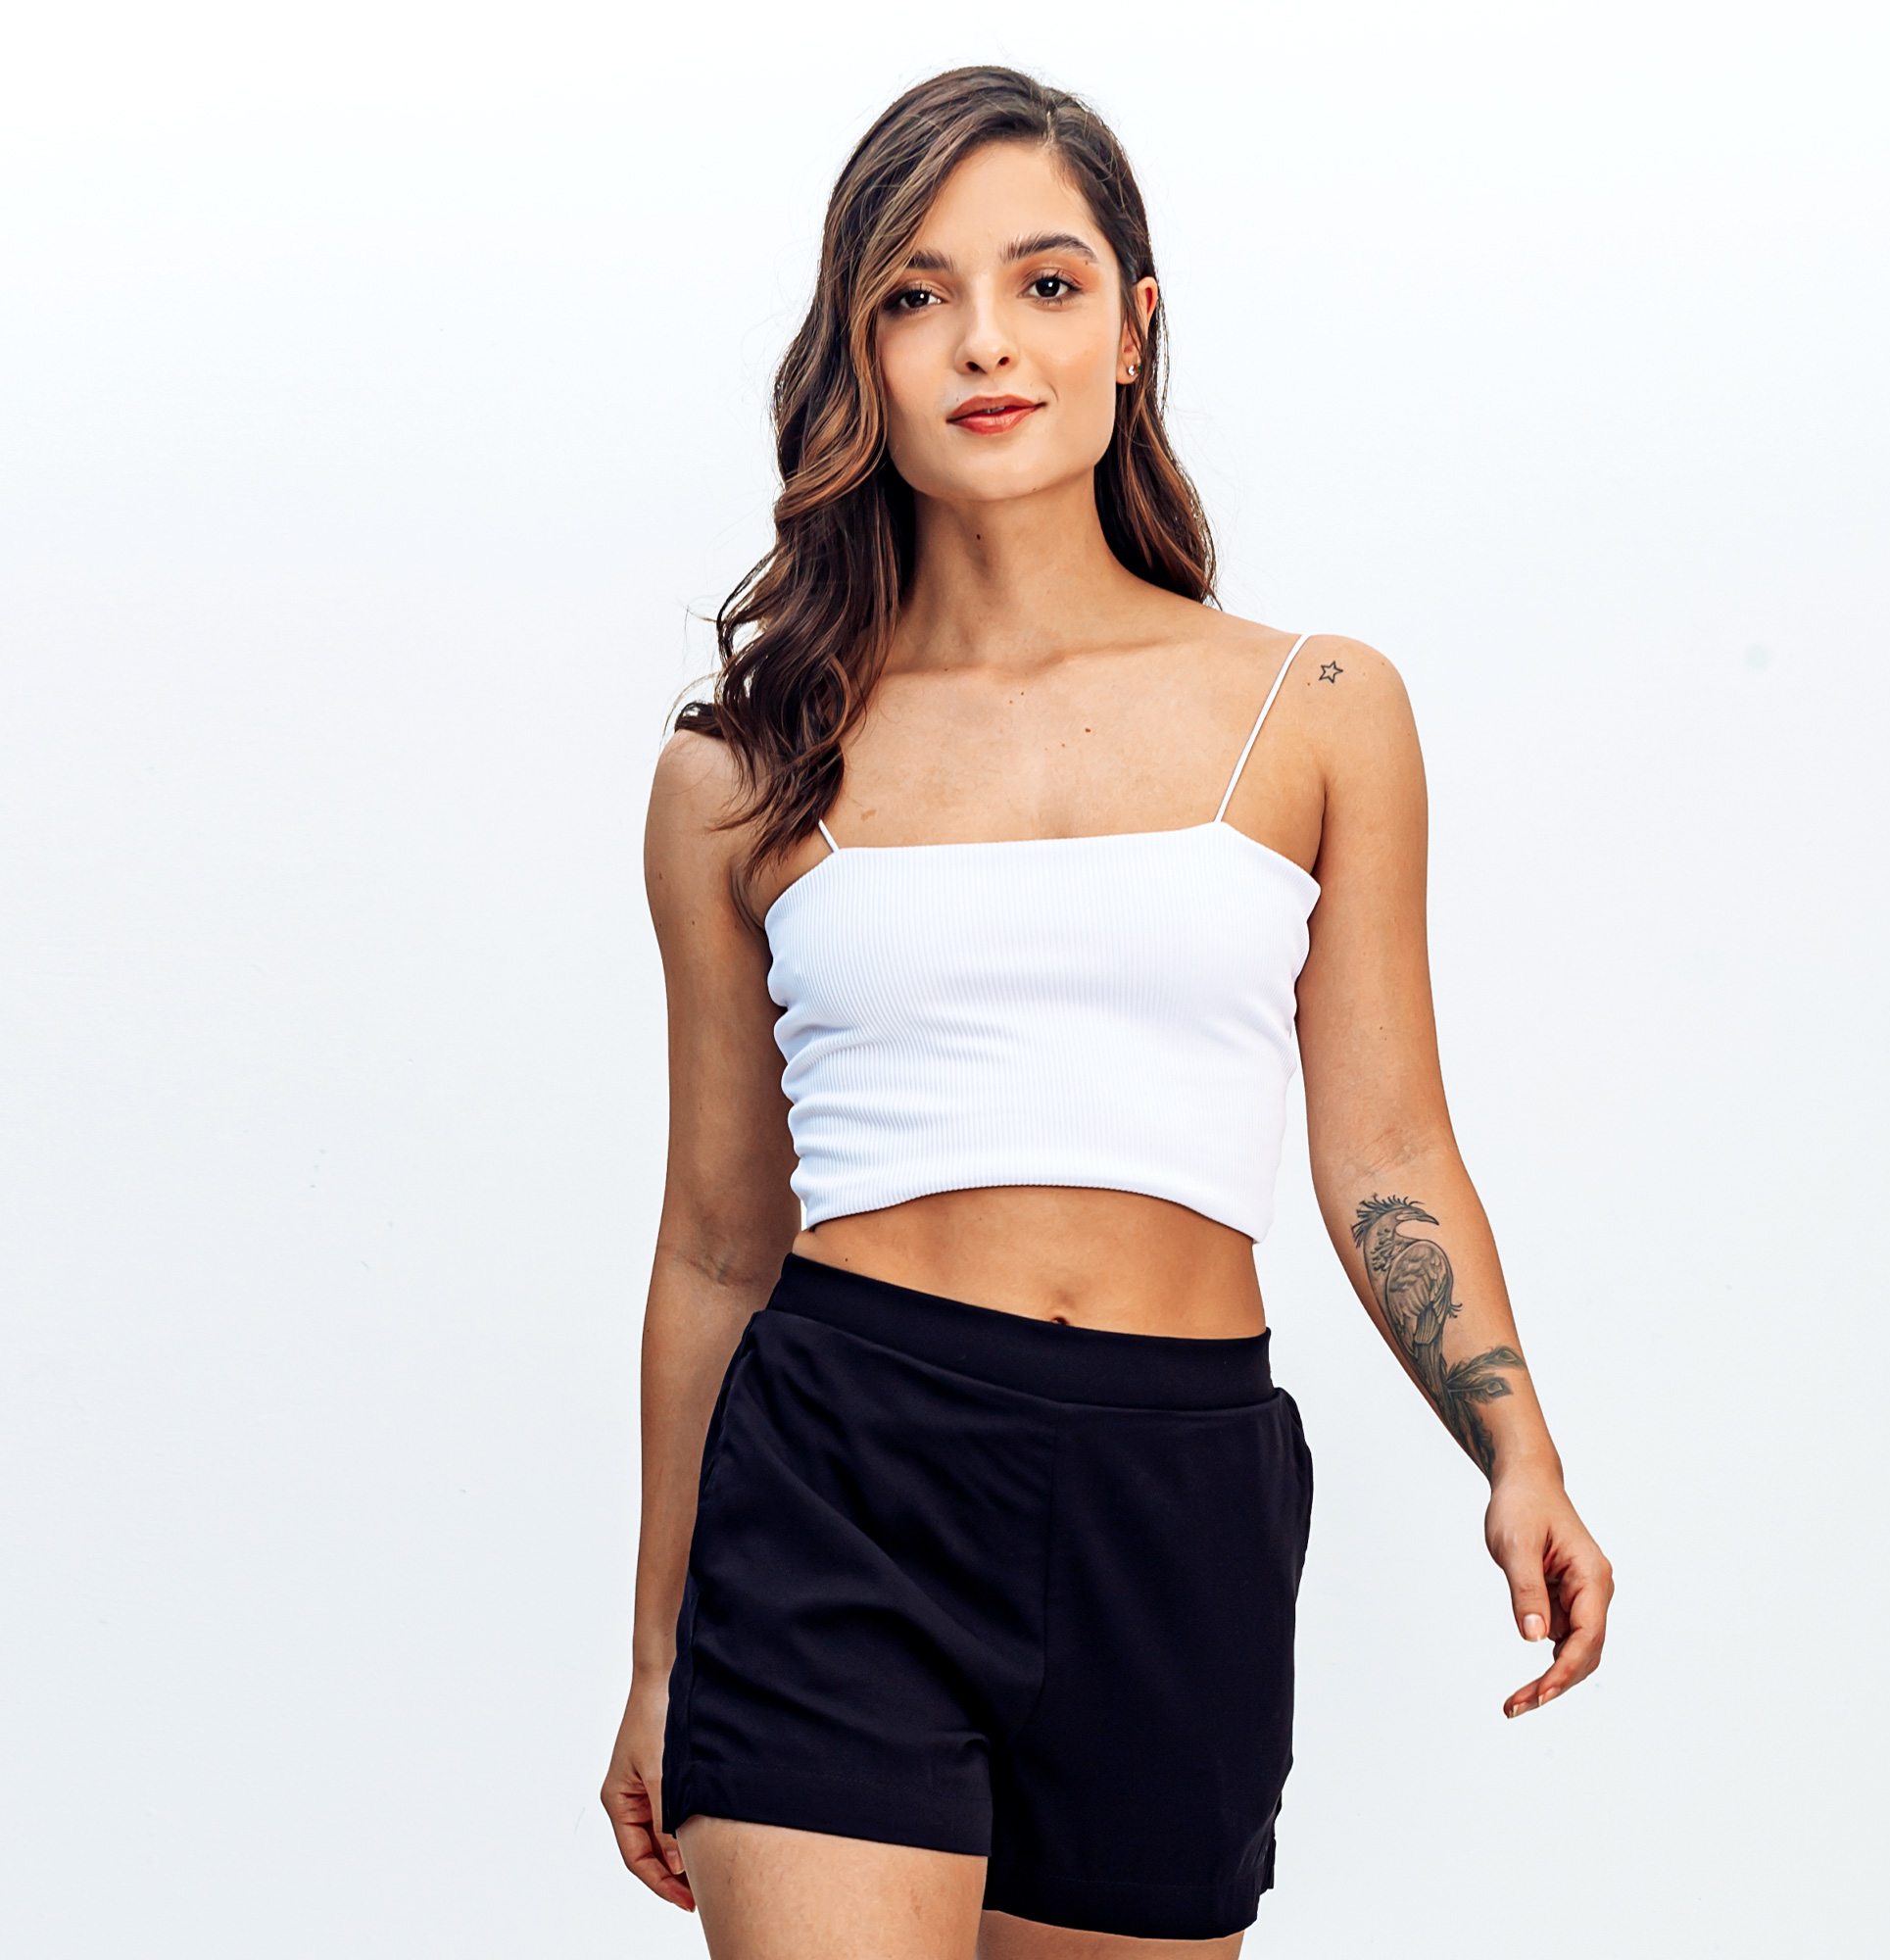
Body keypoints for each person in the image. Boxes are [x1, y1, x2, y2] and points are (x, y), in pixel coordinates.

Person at [600, 65, 1613, 1960]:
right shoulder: (740, 772)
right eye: (916, 295)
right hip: (841, 1481)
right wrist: (661, 1655)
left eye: (1045, 283)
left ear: (1135, 328)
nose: (986, 341)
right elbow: (718, 1244)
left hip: (1177, 1495)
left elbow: (1388, 1145)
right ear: (858, 354)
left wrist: (1518, 1451)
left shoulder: (1317, 709)